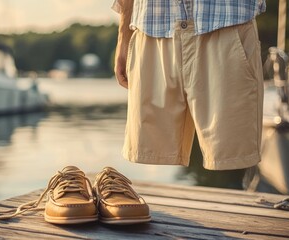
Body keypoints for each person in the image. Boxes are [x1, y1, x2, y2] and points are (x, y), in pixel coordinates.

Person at [113, 0, 266, 170]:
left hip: (228, 20)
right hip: (152, 26)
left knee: (235, 155)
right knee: (148, 153)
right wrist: (123, 36)